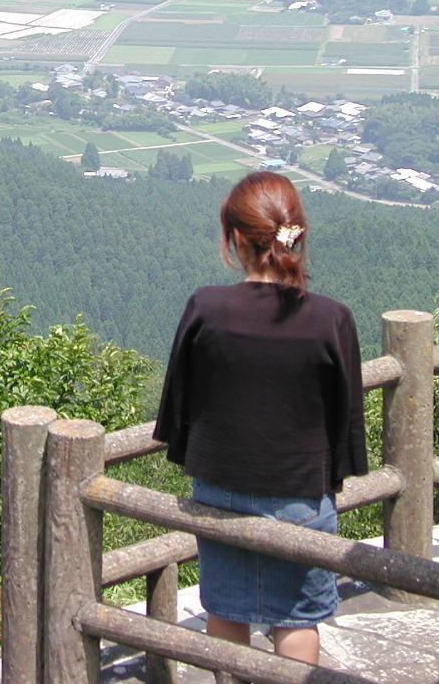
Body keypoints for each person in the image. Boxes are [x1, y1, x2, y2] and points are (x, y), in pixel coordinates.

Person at [153, 171, 366, 666]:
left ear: (233, 239)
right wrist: (331, 479)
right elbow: (346, 422)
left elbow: (176, 408)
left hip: (220, 487)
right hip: (301, 492)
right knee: (296, 620)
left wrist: (193, 458)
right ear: (298, 236)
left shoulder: (206, 307)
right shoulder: (332, 318)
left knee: (226, 613)